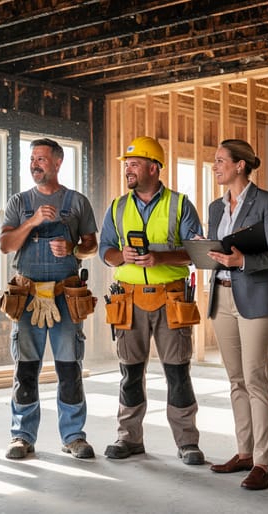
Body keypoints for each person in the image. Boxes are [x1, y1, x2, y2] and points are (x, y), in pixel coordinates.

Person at [98, 136, 205, 466]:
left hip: (171, 298)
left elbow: (196, 251)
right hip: (128, 299)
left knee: (177, 373)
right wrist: (122, 256)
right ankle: (129, 438)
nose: (127, 170)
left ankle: (187, 442)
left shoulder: (180, 204)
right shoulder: (117, 206)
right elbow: (105, 251)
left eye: (134, 164)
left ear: (154, 168)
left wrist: (161, 259)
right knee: (130, 373)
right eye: (126, 165)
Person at [0, 138, 99, 459]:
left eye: (41, 159)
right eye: (32, 159)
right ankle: (22, 436)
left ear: (57, 162)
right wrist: (32, 221)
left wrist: (73, 249)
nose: (35, 164)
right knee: (26, 369)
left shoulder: (77, 202)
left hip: (65, 297)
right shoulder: (19, 202)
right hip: (27, 298)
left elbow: (91, 246)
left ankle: (74, 436)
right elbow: (5, 245)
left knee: (69, 368)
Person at [204, 139, 268, 490]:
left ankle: (263, 462)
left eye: (220, 160)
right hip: (221, 295)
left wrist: (244, 261)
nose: (215, 166)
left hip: (255, 295)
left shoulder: (267, 202)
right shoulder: (215, 207)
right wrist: (205, 251)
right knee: (235, 379)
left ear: (240, 165)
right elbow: (216, 249)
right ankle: (244, 453)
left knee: (255, 377)